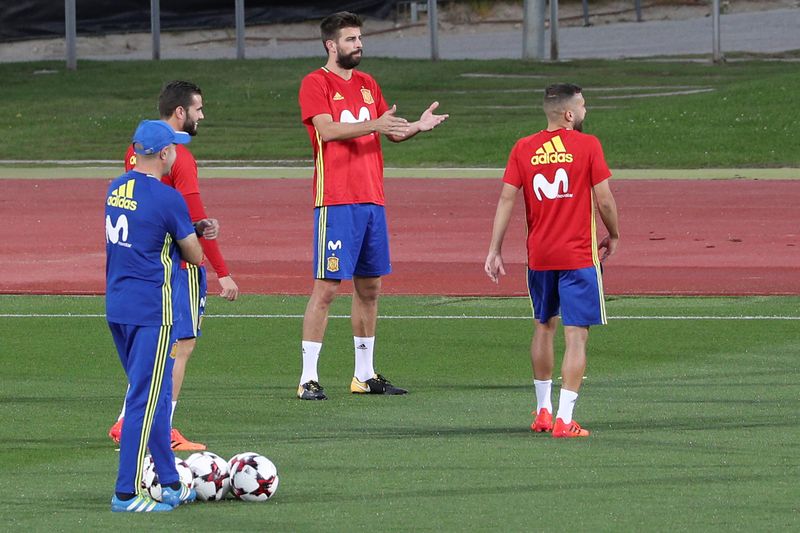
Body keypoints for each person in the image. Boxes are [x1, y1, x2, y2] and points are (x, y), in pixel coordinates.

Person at [296, 11, 448, 400]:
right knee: (327, 287)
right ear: (331, 45)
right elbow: (327, 130)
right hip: (336, 201)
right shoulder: (316, 83)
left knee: (371, 287)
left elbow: (389, 131)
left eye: (360, 38)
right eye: (350, 39)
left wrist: (416, 126)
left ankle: (364, 375)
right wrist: (375, 126)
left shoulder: (367, 85)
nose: (358, 44)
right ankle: (307, 378)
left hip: (371, 200)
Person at [109, 80, 239, 451]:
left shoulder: (135, 152)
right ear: (179, 112)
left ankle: (125, 420)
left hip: (140, 265)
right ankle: (162, 427)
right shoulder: (179, 156)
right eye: (198, 109)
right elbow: (192, 216)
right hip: (177, 268)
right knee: (180, 345)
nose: (202, 115)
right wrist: (222, 271)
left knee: (153, 350)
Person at [484, 83, 619, 438]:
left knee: (543, 325)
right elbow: (604, 200)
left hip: (539, 255)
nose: (586, 111)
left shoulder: (523, 148)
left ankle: (543, 412)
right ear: (570, 114)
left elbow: (505, 199)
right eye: (584, 106)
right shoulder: (588, 145)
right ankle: (564, 418)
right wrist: (615, 233)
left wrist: (494, 249)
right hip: (578, 255)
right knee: (577, 335)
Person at [106, 119, 208, 511]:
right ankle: (126, 493)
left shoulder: (116, 188)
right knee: (145, 400)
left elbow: (146, 233)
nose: (177, 153)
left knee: (157, 394)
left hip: (119, 306)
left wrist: (187, 229)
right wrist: (194, 233)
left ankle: (168, 481)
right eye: (174, 148)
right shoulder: (168, 199)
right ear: (164, 153)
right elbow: (194, 256)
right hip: (153, 309)